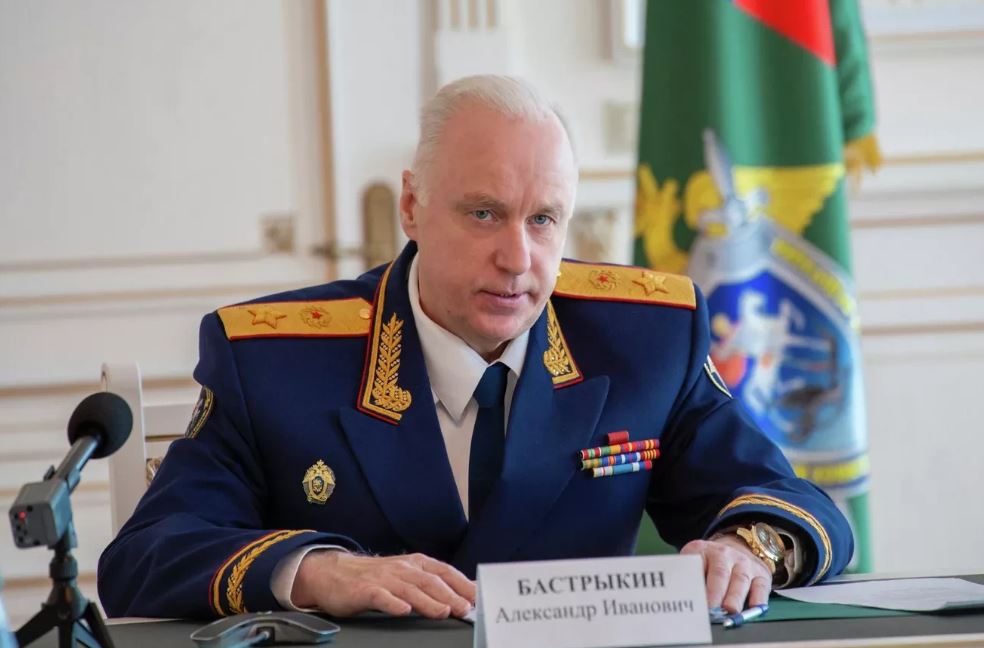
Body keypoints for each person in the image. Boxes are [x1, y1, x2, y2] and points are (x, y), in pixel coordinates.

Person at [98, 75, 853, 621]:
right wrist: (317, 572)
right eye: (484, 214)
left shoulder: (645, 336)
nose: (518, 259)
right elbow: (146, 556)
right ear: (412, 206)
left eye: (544, 220)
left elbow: (793, 502)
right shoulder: (273, 358)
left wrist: (748, 547)